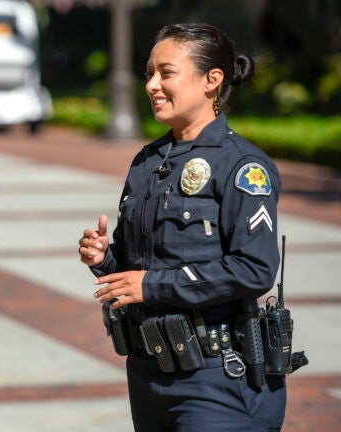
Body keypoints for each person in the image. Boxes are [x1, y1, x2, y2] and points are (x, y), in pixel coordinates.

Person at [78, 23, 285, 431]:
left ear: (212, 80)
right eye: (149, 74)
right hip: (147, 373)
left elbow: (255, 269)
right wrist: (105, 259)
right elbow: (137, 266)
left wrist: (152, 286)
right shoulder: (147, 162)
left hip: (215, 380)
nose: (152, 85)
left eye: (166, 73)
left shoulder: (243, 166)